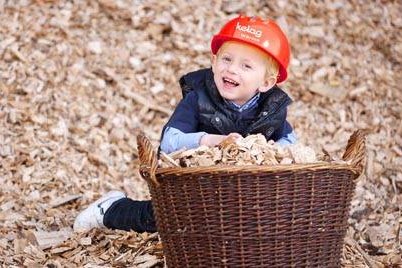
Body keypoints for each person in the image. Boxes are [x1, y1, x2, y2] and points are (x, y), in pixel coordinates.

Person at [73, 15, 297, 233]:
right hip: (192, 187)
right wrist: (211, 141)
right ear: (214, 61)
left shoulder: (272, 110)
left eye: (246, 66)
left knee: (256, 222)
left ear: (267, 82)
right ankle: (111, 209)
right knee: (166, 220)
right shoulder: (198, 98)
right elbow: (169, 142)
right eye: (226, 59)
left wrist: (272, 150)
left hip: (240, 195)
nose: (232, 69)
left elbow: (291, 142)